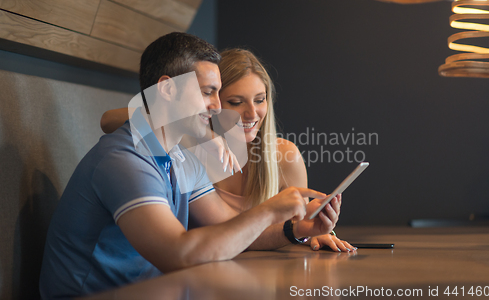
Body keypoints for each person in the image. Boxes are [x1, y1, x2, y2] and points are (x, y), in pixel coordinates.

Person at [40, 33, 340, 299]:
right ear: (168, 90)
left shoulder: (180, 155)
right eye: (208, 92)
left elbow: (227, 229)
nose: (217, 106)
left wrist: (298, 229)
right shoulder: (125, 160)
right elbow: (177, 254)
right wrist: (268, 210)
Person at [101, 48, 355, 252]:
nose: (252, 114)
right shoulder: (186, 150)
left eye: (260, 99)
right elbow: (109, 120)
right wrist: (203, 132)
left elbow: (298, 222)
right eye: (236, 102)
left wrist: (315, 231)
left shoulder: (284, 156)